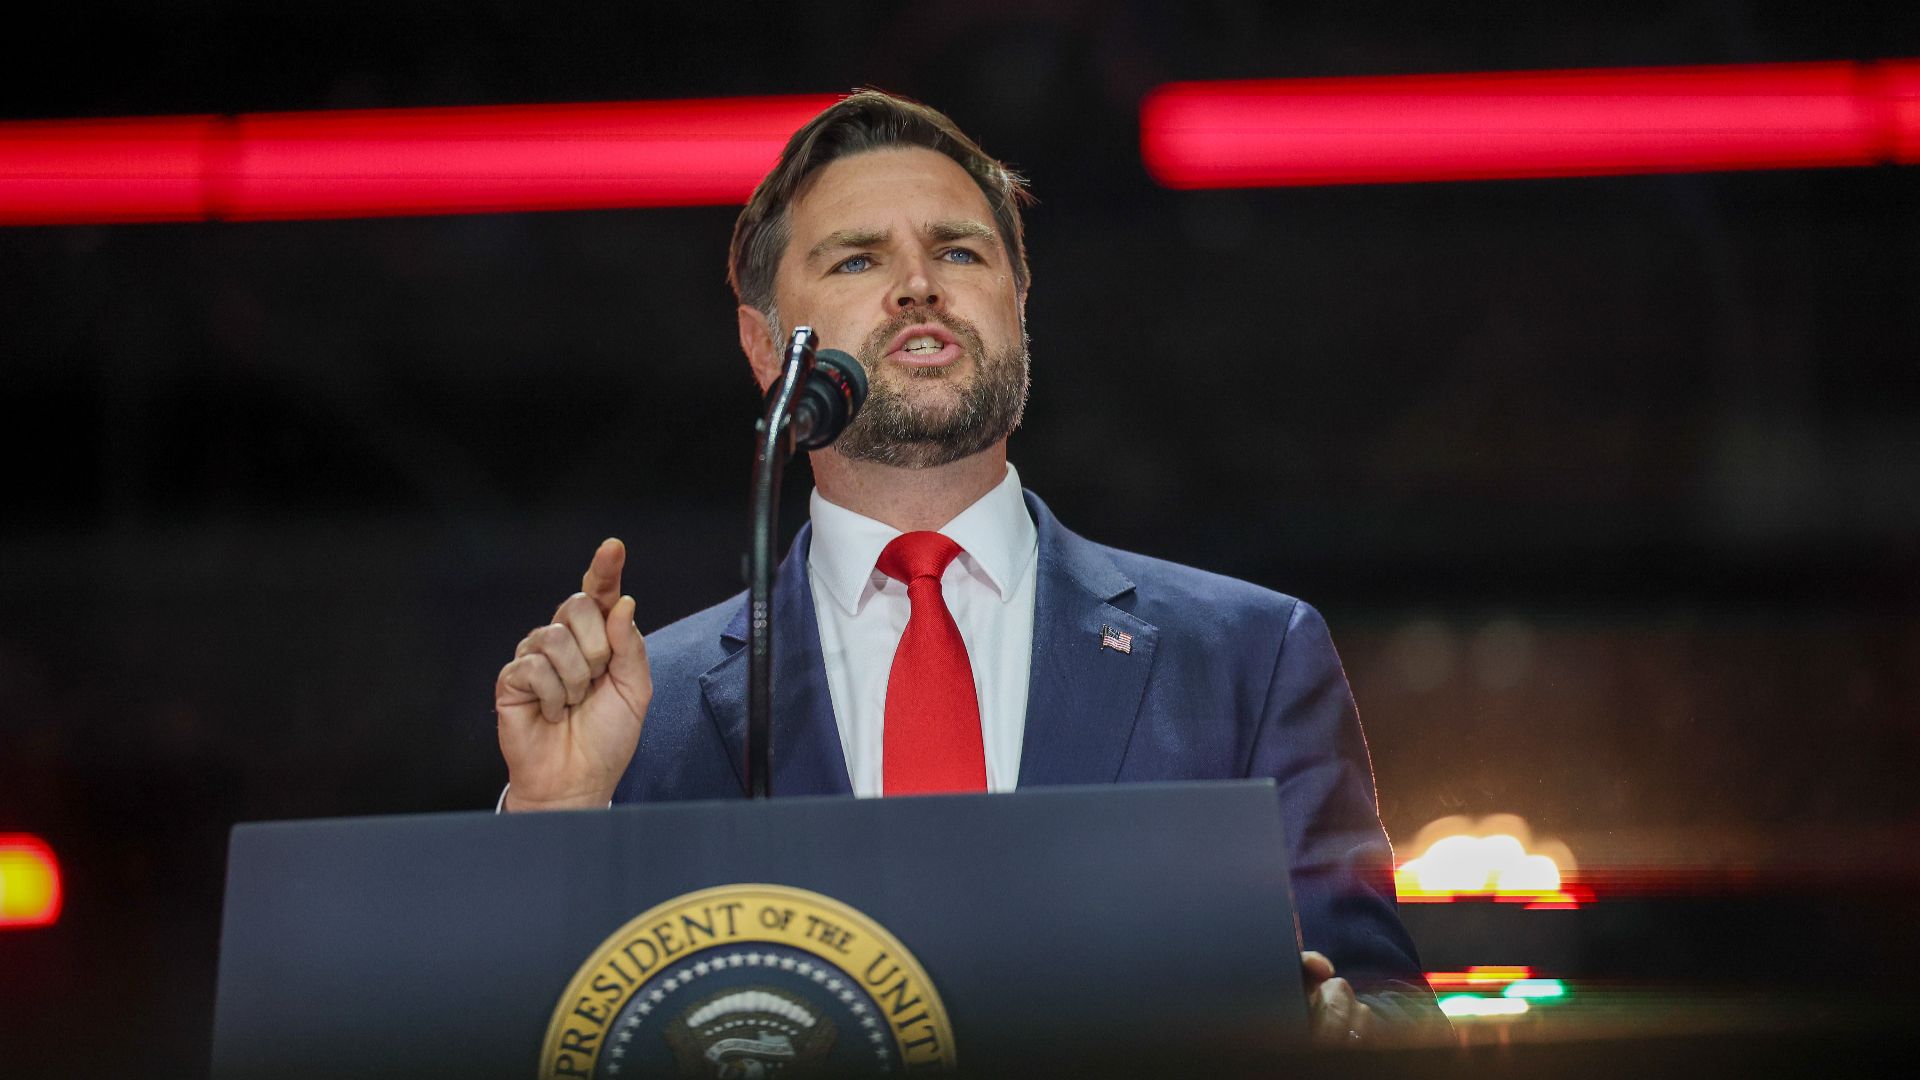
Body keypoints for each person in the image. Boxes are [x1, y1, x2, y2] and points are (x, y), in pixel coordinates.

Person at [493, 90, 1445, 1046]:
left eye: (957, 252)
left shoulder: (1247, 655)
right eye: (858, 259)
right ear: (762, 346)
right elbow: (524, 1039)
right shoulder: (648, 714)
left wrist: (1348, 1038)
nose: (918, 286)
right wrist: (552, 818)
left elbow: (1393, 1006)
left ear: (1018, 308)